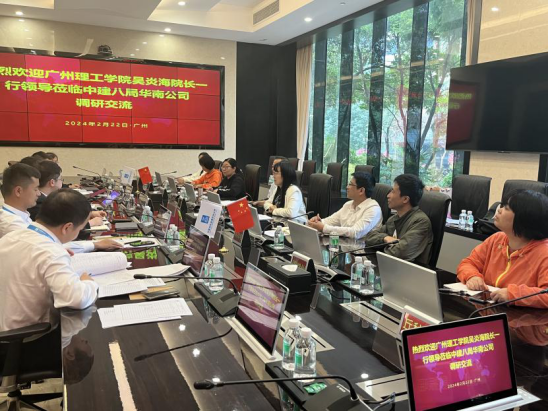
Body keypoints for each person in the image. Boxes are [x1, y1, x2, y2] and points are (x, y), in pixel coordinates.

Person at [0, 189, 99, 332]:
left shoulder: (10, 237)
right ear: (67, 227)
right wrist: (89, 282)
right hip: (27, 336)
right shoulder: (51, 252)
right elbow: (77, 299)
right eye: (80, 229)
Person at [457, 190, 548, 308]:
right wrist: (472, 276)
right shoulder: (496, 239)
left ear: (525, 218)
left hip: (523, 317)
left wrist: (513, 295)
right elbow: (468, 263)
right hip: (490, 310)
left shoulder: (544, 253)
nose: (499, 210)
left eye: (506, 208)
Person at [0, 164, 119, 252]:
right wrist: (95, 245)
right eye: (35, 189)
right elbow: (52, 246)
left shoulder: (20, 215)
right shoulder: (13, 225)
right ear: (18, 191)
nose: (38, 193)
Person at [364, 174, 433, 264]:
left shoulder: (421, 222)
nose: (388, 195)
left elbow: (400, 253)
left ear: (405, 199)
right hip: (389, 265)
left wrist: (379, 246)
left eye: (393, 192)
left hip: (408, 270)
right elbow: (369, 237)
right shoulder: (394, 218)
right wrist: (385, 238)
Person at [26, 161, 108, 228]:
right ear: (52, 182)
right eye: (60, 179)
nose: (62, 182)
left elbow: (65, 215)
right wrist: (91, 223)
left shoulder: (47, 198)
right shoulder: (39, 202)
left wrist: (89, 214)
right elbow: (60, 227)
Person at [308, 172, 382, 239]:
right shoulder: (348, 204)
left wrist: (323, 227)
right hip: (345, 245)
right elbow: (331, 220)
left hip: (362, 248)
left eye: (350, 184)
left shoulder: (373, 209)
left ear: (361, 190)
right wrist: (318, 222)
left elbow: (355, 232)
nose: (347, 187)